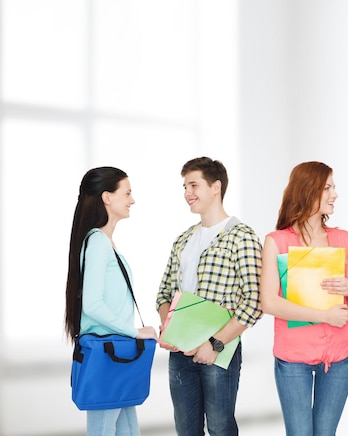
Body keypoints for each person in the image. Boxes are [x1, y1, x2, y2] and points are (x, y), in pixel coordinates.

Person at [156, 157, 263, 436]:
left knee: (220, 428)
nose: (187, 193)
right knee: (185, 430)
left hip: (219, 351)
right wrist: (168, 328)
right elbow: (164, 293)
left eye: (193, 185)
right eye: (184, 186)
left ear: (215, 187)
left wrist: (214, 344)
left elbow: (254, 302)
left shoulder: (242, 237)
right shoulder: (183, 239)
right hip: (180, 353)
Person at [259, 161, 348, 436]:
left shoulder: (345, 240)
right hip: (294, 356)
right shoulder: (276, 241)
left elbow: (346, 302)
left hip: (339, 354)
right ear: (308, 191)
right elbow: (269, 302)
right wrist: (324, 316)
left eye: (334, 187)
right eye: (327, 188)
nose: (335, 194)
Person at [64, 167, 158, 436]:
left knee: (128, 430)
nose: (132, 200)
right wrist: (135, 331)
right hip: (108, 354)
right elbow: (92, 305)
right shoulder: (98, 242)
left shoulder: (105, 241)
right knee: (104, 430)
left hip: (115, 354)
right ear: (107, 197)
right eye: (127, 193)